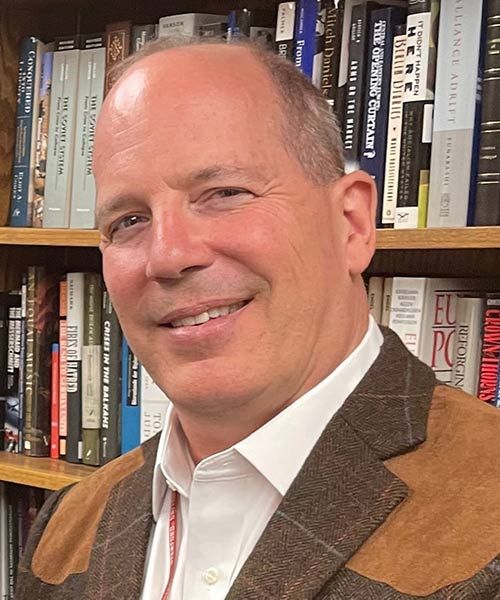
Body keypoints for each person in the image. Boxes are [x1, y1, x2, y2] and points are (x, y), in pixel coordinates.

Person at [16, 37, 500, 600]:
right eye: (128, 221)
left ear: (351, 223)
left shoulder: (483, 518)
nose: (168, 255)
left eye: (224, 193)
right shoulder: (65, 530)